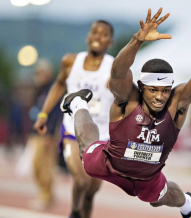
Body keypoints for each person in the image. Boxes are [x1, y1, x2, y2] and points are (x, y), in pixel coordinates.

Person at [57, 3, 191, 218]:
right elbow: (117, 72)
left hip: (147, 178)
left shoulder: (177, 104)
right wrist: (137, 41)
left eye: (165, 90)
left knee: (159, 200)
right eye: (153, 90)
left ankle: (187, 205)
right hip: (108, 164)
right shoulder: (128, 99)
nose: (159, 97)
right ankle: (78, 103)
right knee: (86, 150)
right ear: (142, 86)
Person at [34, 20, 115, 218]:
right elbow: (59, 85)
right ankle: (75, 212)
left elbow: (126, 98)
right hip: (72, 131)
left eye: (103, 34)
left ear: (110, 42)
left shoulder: (115, 68)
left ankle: (82, 210)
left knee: (91, 193)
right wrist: (43, 114)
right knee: (81, 181)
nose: (97, 36)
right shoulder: (70, 62)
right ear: (88, 36)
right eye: (94, 32)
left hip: (102, 136)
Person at [26, 59, 62, 210]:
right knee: (36, 165)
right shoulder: (39, 90)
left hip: (47, 134)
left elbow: (56, 114)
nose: (38, 76)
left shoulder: (53, 91)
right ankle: (47, 195)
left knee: (45, 166)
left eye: (41, 73)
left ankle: (46, 197)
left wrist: (51, 134)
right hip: (36, 133)